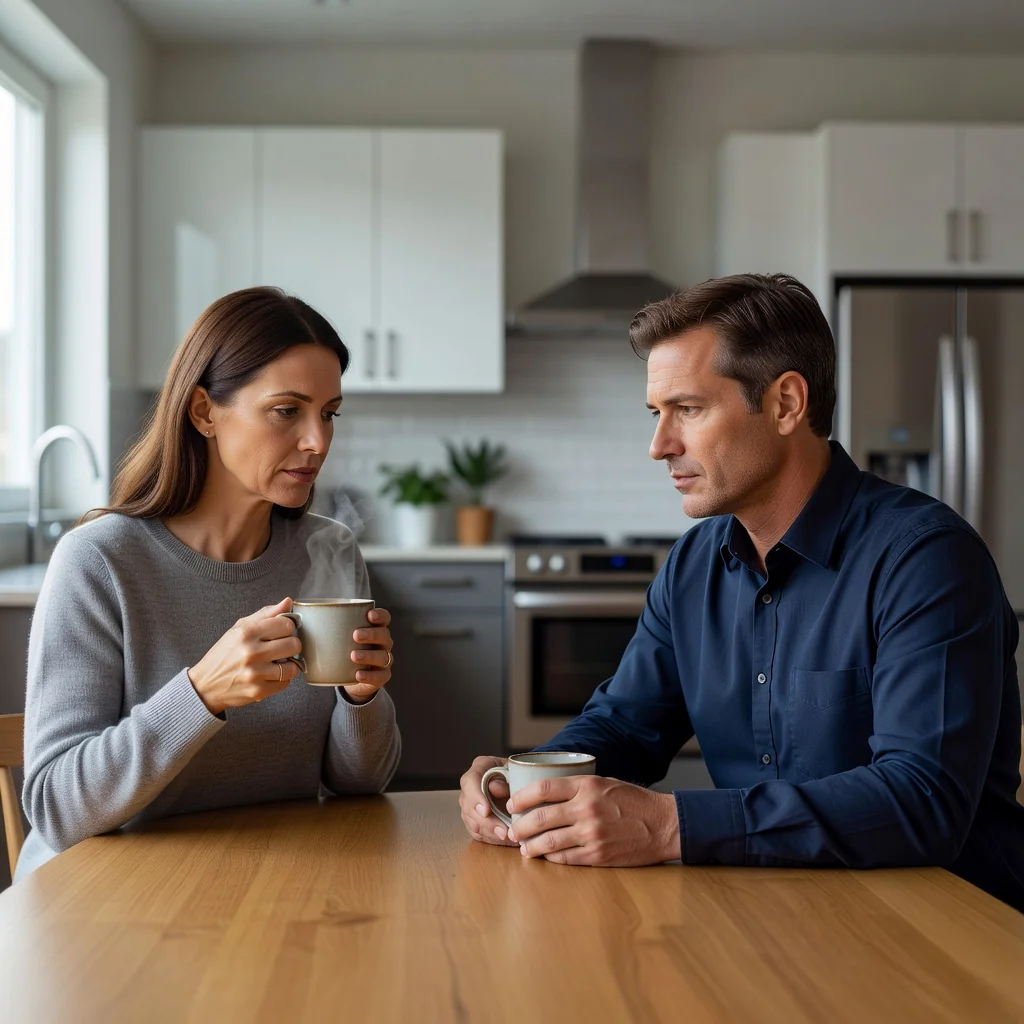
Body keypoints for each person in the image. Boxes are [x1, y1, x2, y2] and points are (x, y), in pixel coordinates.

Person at [460, 273, 1024, 913]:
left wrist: (667, 824)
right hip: (771, 915)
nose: (658, 445)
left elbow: (923, 801)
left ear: (786, 403)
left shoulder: (925, 559)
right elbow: (624, 727)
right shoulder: (693, 565)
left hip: (943, 930)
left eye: (689, 410)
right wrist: (526, 779)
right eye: (656, 413)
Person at [18, 287, 400, 878]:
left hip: (265, 883)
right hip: (105, 907)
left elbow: (359, 784)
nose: (318, 442)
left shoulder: (329, 550)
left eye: (329, 414)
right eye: (286, 411)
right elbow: (57, 808)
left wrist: (362, 698)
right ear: (203, 412)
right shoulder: (99, 562)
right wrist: (200, 694)